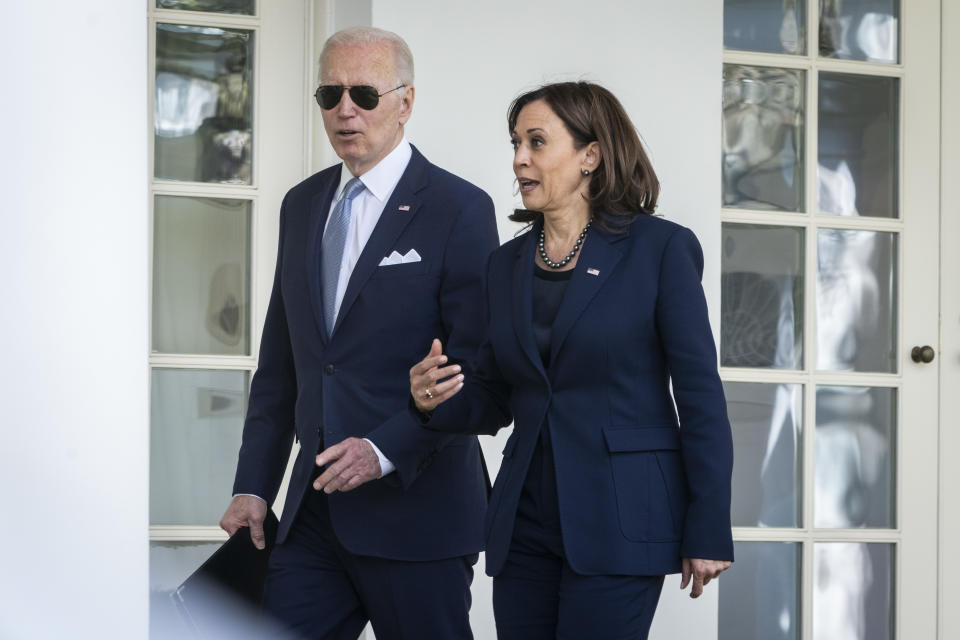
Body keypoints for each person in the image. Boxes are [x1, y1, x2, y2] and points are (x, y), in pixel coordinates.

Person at [409, 81, 734, 639]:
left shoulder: (660, 250)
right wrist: (431, 399)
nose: (519, 159)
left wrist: (708, 527)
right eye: (515, 143)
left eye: (536, 142)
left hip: (620, 518)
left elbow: (700, 396)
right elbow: (494, 394)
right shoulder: (505, 265)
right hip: (525, 521)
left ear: (591, 154)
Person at [219, 27, 498, 639]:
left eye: (365, 94)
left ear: (406, 102)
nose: (345, 110)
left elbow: (475, 371)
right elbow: (282, 366)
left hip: (418, 514)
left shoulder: (460, 208)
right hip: (313, 515)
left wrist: (383, 449)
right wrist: (253, 487)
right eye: (330, 93)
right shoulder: (301, 205)